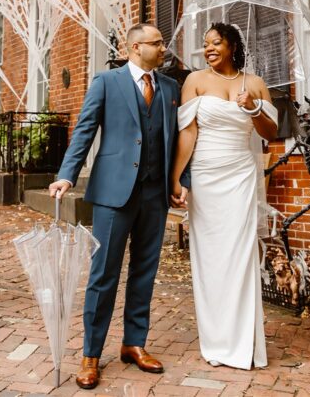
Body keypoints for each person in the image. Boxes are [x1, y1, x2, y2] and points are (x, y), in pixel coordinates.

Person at [48, 23, 180, 389]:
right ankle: (91, 353)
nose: (163, 48)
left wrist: (178, 183)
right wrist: (67, 175)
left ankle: (134, 343)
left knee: (144, 271)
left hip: (155, 195)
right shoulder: (106, 82)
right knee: (104, 274)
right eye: (157, 43)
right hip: (113, 194)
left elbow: (177, 139)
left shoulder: (170, 89)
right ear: (135, 48)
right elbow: (85, 130)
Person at [169, 22, 278, 369]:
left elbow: (271, 132)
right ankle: (216, 339)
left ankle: (243, 342)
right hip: (205, 175)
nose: (209, 49)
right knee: (211, 258)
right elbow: (188, 133)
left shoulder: (255, 84)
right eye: (206, 44)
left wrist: (252, 108)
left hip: (241, 176)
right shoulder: (195, 81)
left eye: (216, 42)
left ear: (232, 45)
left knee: (240, 255)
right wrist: (177, 178)